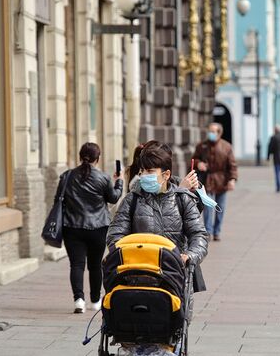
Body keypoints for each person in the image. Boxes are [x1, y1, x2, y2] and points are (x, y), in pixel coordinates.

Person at [107, 145, 209, 319]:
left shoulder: (182, 199)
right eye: (143, 171)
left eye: (150, 171)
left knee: (173, 329)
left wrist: (189, 256)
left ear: (166, 174)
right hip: (137, 276)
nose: (145, 176)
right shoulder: (132, 200)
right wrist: (122, 251)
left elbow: (199, 235)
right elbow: (116, 234)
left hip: (174, 277)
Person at [57, 142, 123, 313]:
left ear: (81, 157)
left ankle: (79, 300)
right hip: (98, 227)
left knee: (76, 265)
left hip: (72, 227)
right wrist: (119, 182)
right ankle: (95, 301)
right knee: (95, 266)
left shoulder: (67, 176)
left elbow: (58, 199)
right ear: (97, 158)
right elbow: (114, 198)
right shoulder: (103, 178)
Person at [192, 123, 238, 241]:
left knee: (220, 208)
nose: (211, 133)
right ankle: (208, 231)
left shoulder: (226, 147)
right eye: (210, 131)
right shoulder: (202, 146)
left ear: (219, 133)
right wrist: (198, 164)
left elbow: (232, 165)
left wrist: (232, 179)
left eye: (213, 131)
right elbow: (194, 159)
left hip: (222, 181)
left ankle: (217, 231)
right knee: (208, 207)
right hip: (207, 181)